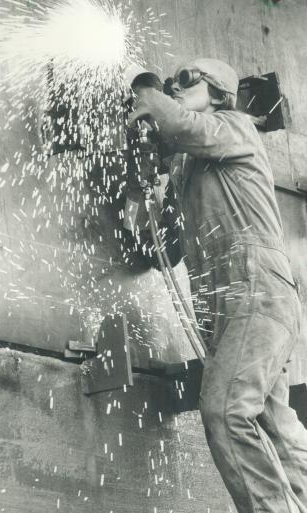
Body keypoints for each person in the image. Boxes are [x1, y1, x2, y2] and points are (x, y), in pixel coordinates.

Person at [126, 58, 307, 513]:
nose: (176, 87)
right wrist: (147, 186)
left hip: (255, 292)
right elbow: (160, 253)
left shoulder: (234, 127)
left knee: (226, 411)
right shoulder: (191, 170)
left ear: (220, 94)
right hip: (229, 306)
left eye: (188, 81)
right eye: (171, 84)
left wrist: (147, 90)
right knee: (273, 425)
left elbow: (181, 123)